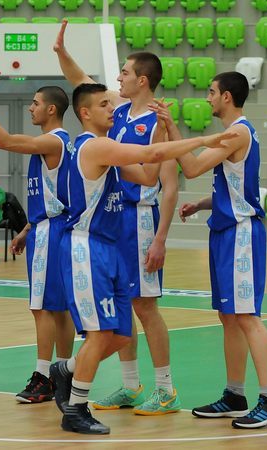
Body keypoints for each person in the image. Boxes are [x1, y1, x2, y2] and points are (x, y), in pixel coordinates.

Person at [44, 82, 235, 434]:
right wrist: (202, 140)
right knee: (100, 334)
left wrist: (160, 128)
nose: (111, 109)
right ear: (85, 113)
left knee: (118, 334)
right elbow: (153, 154)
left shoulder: (107, 150)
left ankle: (66, 369)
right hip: (86, 247)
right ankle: (76, 408)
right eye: (104, 105)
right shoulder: (94, 145)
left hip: (109, 247)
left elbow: (149, 175)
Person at [54, 20, 181, 415]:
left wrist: (160, 238)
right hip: (110, 219)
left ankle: (165, 389)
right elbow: (82, 83)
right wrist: (61, 52)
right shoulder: (117, 111)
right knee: (122, 305)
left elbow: (169, 185)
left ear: (141, 80)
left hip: (141, 219)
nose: (118, 78)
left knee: (145, 306)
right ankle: (129, 385)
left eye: (124, 72)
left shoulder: (157, 120)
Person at [152, 72, 267, 429]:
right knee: (229, 317)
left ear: (227, 97)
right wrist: (202, 204)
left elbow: (192, 166)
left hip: (241, 235)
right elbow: (238, 188)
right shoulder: (236, 134)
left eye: (212, 92)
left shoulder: (236, 132)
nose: (208, 98)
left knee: (247, 317)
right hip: (226, 231)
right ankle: (235, 395)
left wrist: (171, 127)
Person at [0, 82, 76, 404]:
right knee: (59, 309)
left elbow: (2, 140)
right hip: (52, 226)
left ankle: (43, 376)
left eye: (35, 103)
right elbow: (55, 197)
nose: (31, 108)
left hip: (51, 232)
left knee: (41, 307)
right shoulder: (62, 143)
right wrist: (26, 229)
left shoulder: (53, 140)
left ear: (51, 109)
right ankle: (63, 374)